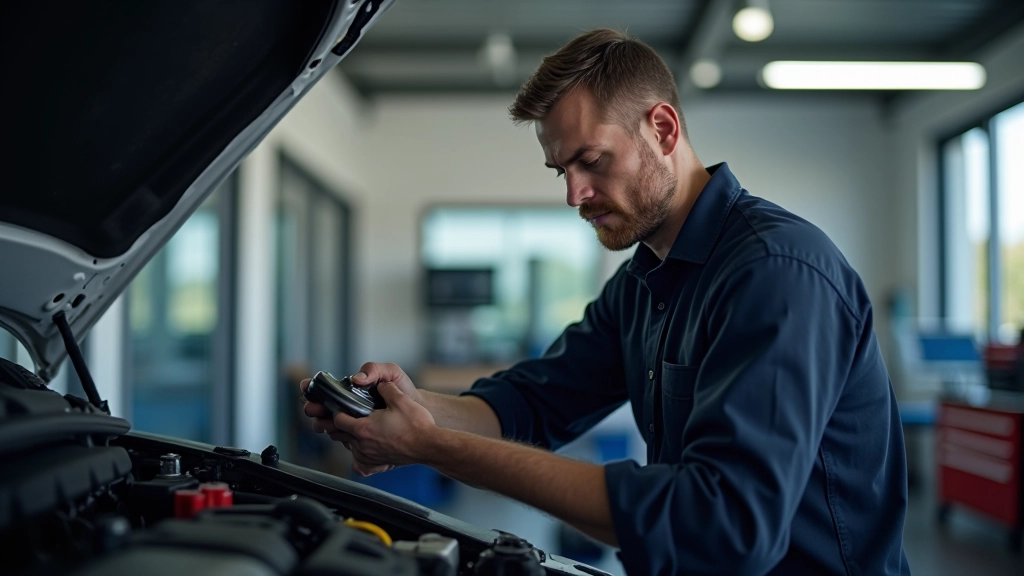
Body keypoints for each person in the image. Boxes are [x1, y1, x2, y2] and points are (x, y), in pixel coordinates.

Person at [301, 29, 910, 576]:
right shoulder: (642, 283)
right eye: (560, 170)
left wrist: (431, 446)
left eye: (591, 161)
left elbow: (723, 524)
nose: (574, 195)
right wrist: (413, 406)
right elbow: (533, 402)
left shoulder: (776, 273)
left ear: (663, 129)